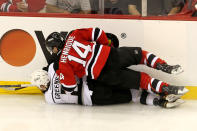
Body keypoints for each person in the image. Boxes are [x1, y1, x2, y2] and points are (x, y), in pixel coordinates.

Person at [43, 27, 188, 99]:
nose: (53, 51)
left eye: (52, 48)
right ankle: (164, 66)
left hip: (103, 74)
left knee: (141, 80)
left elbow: (69, 87)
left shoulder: (62, 63)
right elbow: (97, 32)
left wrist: (59, 72)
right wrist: (107, 46)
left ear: (56, 45)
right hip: (110, 55)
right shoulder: (74, 34)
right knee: (141, 55)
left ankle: (167, 88)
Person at [30, 64, 184, 108]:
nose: (41, 88)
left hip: (93, 99)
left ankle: (158, 101)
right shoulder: (52, 68)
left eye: (40, 86)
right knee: (127, 83)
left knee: (130, 96)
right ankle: (159, 91)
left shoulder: (49, 99)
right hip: (91, 81)